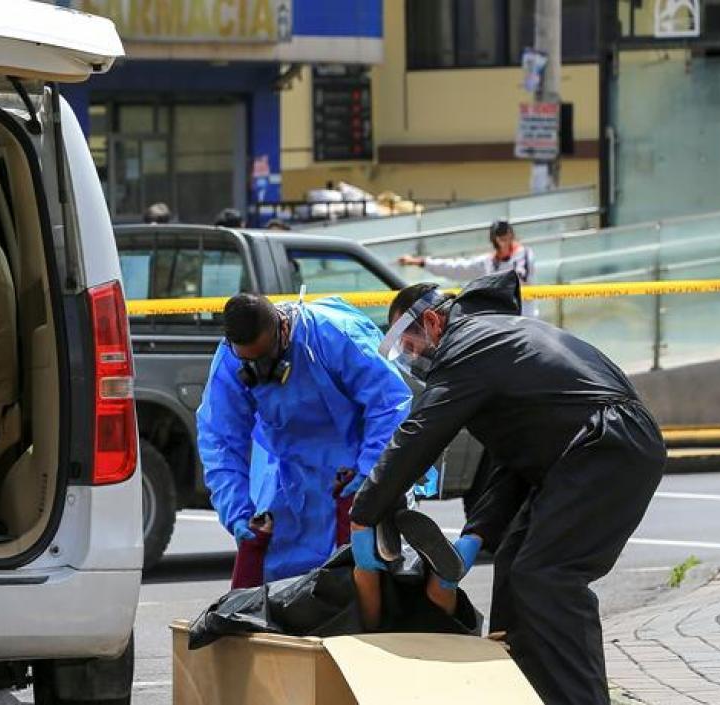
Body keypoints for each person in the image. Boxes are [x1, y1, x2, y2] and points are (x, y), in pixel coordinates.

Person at [347, 271, 666, 705]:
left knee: (548, 577)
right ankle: (525, 692)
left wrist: (364, 513)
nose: (413, 358)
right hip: (589, 448)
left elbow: (421, 433)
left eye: (411, 345)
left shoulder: (468, 345)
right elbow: (513, 458)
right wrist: (477, 534)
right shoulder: (493, 339)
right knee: (516, 567)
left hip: (608, 445)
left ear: (434, 324)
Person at [196, 292, 413, 582]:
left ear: (283, 329)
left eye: (266, 358)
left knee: (365, 577)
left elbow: (388, 404)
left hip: (352, 476)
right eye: (249, 361)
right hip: (290, 480)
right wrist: (236, 510)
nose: (259, 370)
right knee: (279, 582)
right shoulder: (229, 360)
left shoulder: (334, 334)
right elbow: (219, 438)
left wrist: (371, 473)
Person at [398, 220, 536, 315]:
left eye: (506, 236)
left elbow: (520, 279)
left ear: (512, 235)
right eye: (500, 237)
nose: (503, 241)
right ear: (494, 240)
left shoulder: (524, 254)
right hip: (503, 322)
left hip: (525, 319)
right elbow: (455, 268)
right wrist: (420, 262)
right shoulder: (488, 262)